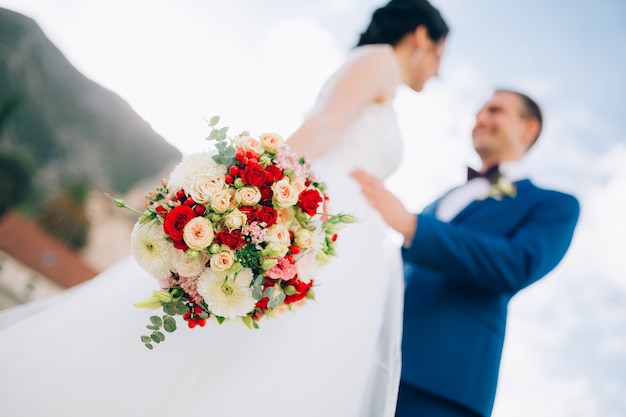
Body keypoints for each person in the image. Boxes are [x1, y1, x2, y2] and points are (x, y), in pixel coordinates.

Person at [0, 1, 449, 416]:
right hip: (317, 220)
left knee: (267, 356)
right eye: (439, 54)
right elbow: (326, 124)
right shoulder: (380, 62)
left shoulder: (383, 76)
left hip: (345, 237)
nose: (438, 68)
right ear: (422, 36)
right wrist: (260, 185)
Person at [351, 89, 580, 417]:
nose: (480, 119)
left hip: (444, 383)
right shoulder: (444, 198)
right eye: (478, 112)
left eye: (495, 111)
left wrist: (414, 227)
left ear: (528, 128)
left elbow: (517, 264)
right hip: (373, 363)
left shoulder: (555, 204)